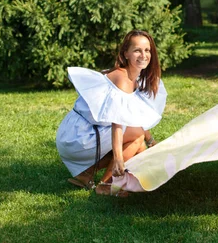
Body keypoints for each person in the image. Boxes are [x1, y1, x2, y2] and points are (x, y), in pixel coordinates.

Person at [56, 30, 167, 197]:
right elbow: (118, 122)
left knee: (140, 147)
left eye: (147, 50)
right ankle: (106, 184)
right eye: (137, 50)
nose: (143, 55)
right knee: (136, 138)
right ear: (126, 54)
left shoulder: (135, 77)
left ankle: (85, 174)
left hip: (80, 132)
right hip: (79, 136)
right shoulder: (122, 79)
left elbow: (135, 115)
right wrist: (118, 159)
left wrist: (151, 143)